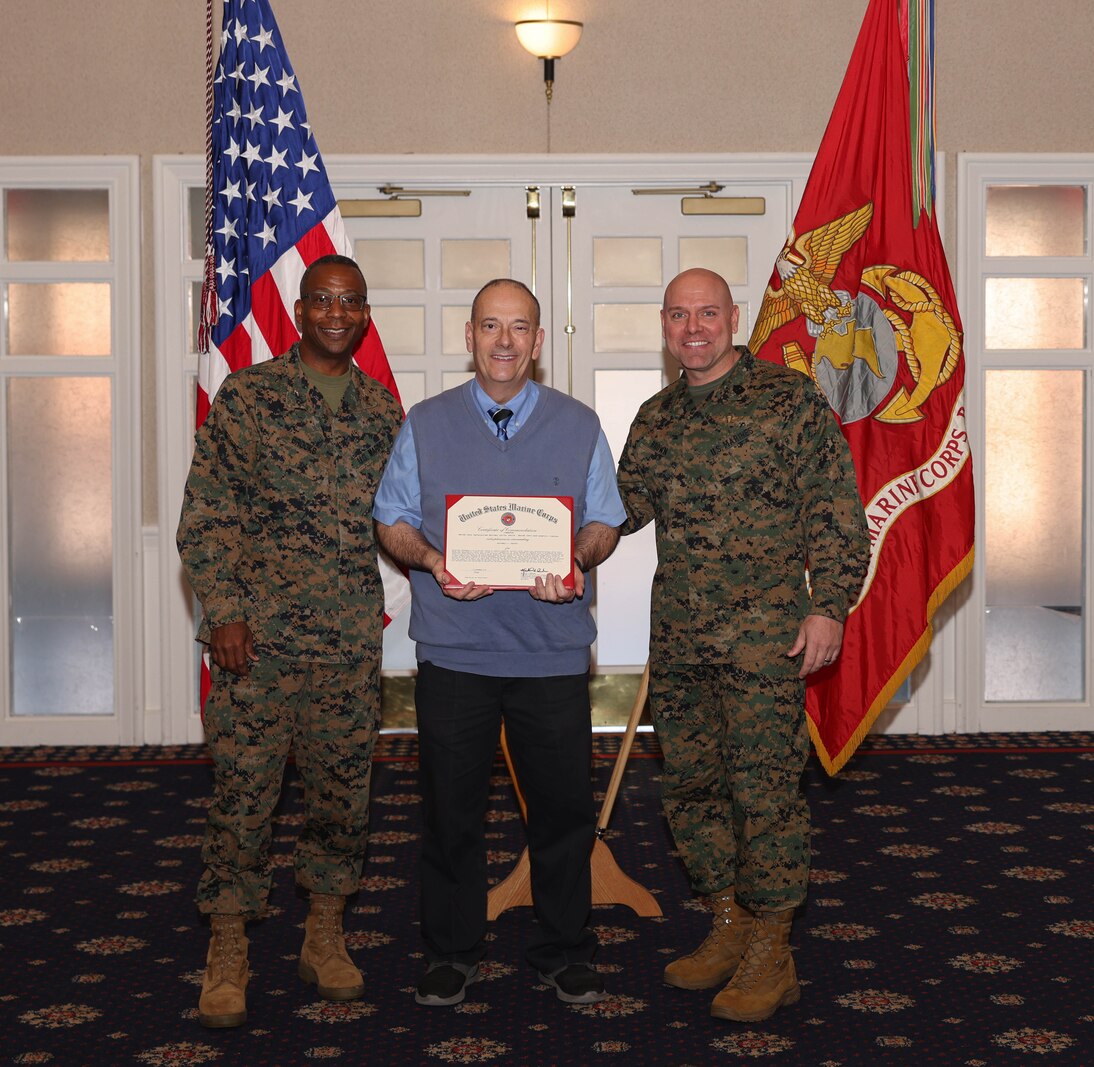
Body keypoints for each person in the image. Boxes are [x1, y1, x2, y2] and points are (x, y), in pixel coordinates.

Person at [616, 268, 870, 1023]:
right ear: (664, 325)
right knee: (692, 789)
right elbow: (616, 511)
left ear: (734, 318)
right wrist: (532, 530)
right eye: (678, 315)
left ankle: (773, 944)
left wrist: (830, 607)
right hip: (683, 642)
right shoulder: (655, 418)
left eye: (707, 313)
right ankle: (727, 920)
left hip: (767, 641)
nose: (693, 328)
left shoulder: (787, 401)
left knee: (763, 792)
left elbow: (835, 510)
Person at [373, 278, 625, 1007]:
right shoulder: (424, 422)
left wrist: (578, 557)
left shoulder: (579, 424)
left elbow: (605, 520)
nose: (505, 341)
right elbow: (390, 518)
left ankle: (563, 947)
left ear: (540, 342)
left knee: (563, 813)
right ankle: (452, 950)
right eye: (491, 326)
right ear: (470, 336)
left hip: (549, 650)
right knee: (450, 813)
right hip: (455, 651)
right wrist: (428, 559)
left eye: (519, 328)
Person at [177, 254, 403, 1029]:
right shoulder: (249, 397)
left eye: (351, 302)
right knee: (244, 800)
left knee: (343, 799)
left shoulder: (381, 412)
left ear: (365, 315)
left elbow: (405, 518)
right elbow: (206, 515)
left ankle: (325, 937)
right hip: (259, 644)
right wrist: (227, 611)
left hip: (346, 643)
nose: (336, 313)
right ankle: (229, 950)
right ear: (300, 310)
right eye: (322, 300)